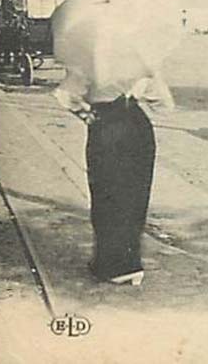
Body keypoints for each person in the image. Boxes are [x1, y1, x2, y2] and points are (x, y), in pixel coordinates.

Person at [54, 70, 174, 285]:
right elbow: (165, 105)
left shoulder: (90, 60)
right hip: (138, 127)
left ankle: (109, 264)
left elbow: (65, 95)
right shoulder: (143, 61)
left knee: (106, 192)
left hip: (106, 126)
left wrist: (85, 114)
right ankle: (132, 264)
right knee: (135, 194)